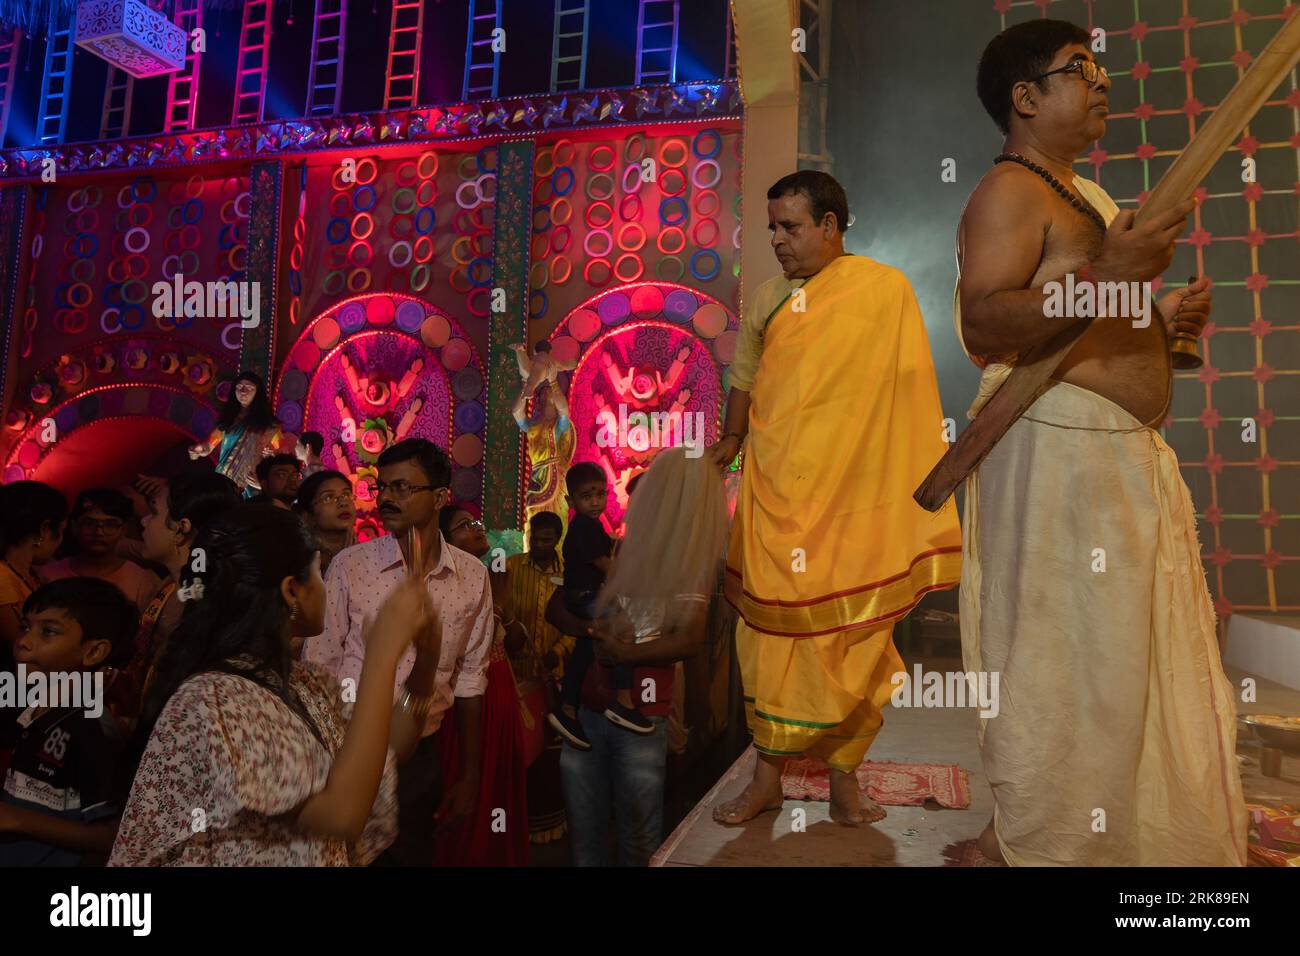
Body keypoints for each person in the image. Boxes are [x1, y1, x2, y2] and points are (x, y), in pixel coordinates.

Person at [957, 20, 1244, 866]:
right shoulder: (1009, 192)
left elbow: (1081, 316)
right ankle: (1041, 844)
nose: (1102, 82)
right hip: (1051, 453)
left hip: (1108, 455)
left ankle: (1113, 844)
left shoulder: (1096, 199)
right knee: (1062, 662)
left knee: (1119, 660)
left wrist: (1154, 322)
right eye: (1080, 70)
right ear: (1026, 96)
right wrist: (1118, 279)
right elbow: (983, 321)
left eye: (1099, 67)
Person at [710, 170, 962, 827]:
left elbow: (905, 391)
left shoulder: (883, 290)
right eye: (771, 228)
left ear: (830, 226)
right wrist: (731, 438)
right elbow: (744, 378)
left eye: (790, 227)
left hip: (853, 500)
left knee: (857, 638)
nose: (778, 240)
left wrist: (913, 476)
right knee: (770, 639)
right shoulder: (768, 299)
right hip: (778, 495)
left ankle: (844, 782)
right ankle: (766, 778)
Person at [109, 504, 438, 866]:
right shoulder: (213, 698)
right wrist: (381, 656)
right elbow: (342, 814)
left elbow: (385, 751)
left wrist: (425, 662)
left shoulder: (304, 683)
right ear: (292, 591)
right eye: (318, 572)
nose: (325, 585)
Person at [302, 439, 495, 865]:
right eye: (383, 487)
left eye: (403, 488)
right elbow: (320, 665)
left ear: (440, 497)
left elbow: (469, 680)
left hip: (420, 757)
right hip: (345, 745)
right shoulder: (352, 566)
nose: (387, 498)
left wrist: (470, 775)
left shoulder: (473, 577)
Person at [549, 447, 729, 866]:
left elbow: (689, 641)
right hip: (590, 711)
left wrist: (624, 652)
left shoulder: (688, 563)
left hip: (644, 714)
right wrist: (592, 630)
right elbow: (556, 607)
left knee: (639, 838)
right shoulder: (612, 548)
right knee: (586, 833)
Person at [0, 578, 138, 865]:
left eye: (47, 632)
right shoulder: (30, 706)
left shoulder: (92, 728)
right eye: (25, 626)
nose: (24, 641)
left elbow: (110, 835)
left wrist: (18, 819)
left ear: (93, 652)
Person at [432, 503, 529, 866]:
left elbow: (515, 644)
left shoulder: (489, 576)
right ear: (444, 539)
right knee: (471, 782)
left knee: (500, 784)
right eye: (463, 525)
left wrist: (505, 606)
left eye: (476, 522)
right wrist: (499, 607)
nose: (476, 528)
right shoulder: (445, 583)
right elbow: (460, 651)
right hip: (468, 704)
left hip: (500, 694)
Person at [114, 471, 242, 726]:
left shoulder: (202, 600)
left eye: (155, 512)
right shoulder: (176, 587)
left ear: (181, 529)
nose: (144, 522)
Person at [549, 461, 651, 749]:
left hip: (581, 595)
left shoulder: (588, 527)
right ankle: (622, 700)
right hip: (586, 595)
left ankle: (567, 706)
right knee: (621, 627)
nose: (595, 502)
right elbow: (607, 567)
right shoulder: (587, 526)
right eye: (587, 496)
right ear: (571, 500)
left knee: (584, 648)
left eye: (599, 494)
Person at [505, 511, 569, 844]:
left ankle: (549, 827)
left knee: (549, 754)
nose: (541, 545)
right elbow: (498, 610)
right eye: (536, 538)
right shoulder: (512, 567)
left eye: (548, 540)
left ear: (557, 539)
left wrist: (557, 652)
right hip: (516, 678)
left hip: (552, 679)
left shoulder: (568, 574)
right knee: (519, 753)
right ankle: (517, 825)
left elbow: (576, 623)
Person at [43, 489, 159, 613]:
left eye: (110, 525)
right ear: (74, 526)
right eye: (89, 524)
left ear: (123, 530)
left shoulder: (142, 581)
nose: (99, 532)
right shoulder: (47, 575)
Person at [0, 481, 68, 663]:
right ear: (44, 530)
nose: (61, 541)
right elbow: (22, 647)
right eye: (61, 531)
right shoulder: (2, 578)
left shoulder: (29, 575)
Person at [188, 371, 283, 495]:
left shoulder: (269, 425)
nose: (243, 391)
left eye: (249, 388)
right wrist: (198, 450)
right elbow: (209, 445)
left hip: (250, 483)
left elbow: (279, 452)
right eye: (239, 387)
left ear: (258, 392)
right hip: (223, 480)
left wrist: (272, 453)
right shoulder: (228, 419)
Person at [295, 470, 357, 575]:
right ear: (308, 516)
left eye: (346, 495)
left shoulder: (369, 551)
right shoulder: (303, 561)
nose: (343, 503)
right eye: (328, 498)